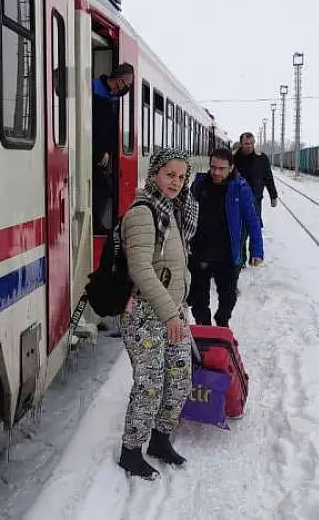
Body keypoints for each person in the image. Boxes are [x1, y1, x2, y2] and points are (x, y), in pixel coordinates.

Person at [117, 147, 199, 480]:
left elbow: (176, 262)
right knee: (149, 384)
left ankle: (161, 440)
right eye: (169, 175)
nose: (175, 182)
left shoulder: (174, 211)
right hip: (145, 315)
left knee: (179, 379)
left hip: (172, 311)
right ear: (154, 174)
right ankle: (131, 451)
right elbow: (140, 268)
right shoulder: (143, 212)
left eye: (181, 177)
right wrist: (169, 312)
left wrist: (181, 300)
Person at [187, 148, 264, 327]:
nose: (216, 172)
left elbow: (253, 220)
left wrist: (256, 250)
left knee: (228, 297)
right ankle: (204, 327)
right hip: (200, 252)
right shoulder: (199, 184)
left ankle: (222, 323)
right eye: (213, 167)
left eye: (222, 168)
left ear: (231, 168)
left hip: (228, 254)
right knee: (199, 299)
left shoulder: (240, 188)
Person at [92, 63, 134, 234]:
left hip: (102, 152)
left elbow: (110, 129)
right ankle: (95, 224)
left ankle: (97, 222)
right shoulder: (93, 88)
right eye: (127, 84)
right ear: (120, 79)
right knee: (103, 186)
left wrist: (107, 151)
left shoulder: (113, 98)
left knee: (106, 186)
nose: (127, 88)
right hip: (90, 146)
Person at [233, 132, 278, 228]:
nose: (249, 146)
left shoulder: (262, 158)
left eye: (251, 143)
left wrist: (273, 195)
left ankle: (255, 242)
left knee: (255, 226)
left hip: (255, 198)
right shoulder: (233, 158)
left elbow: (268, 177)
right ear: (241, 144)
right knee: (239, 228)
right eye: (246, 144)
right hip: (237, 198)